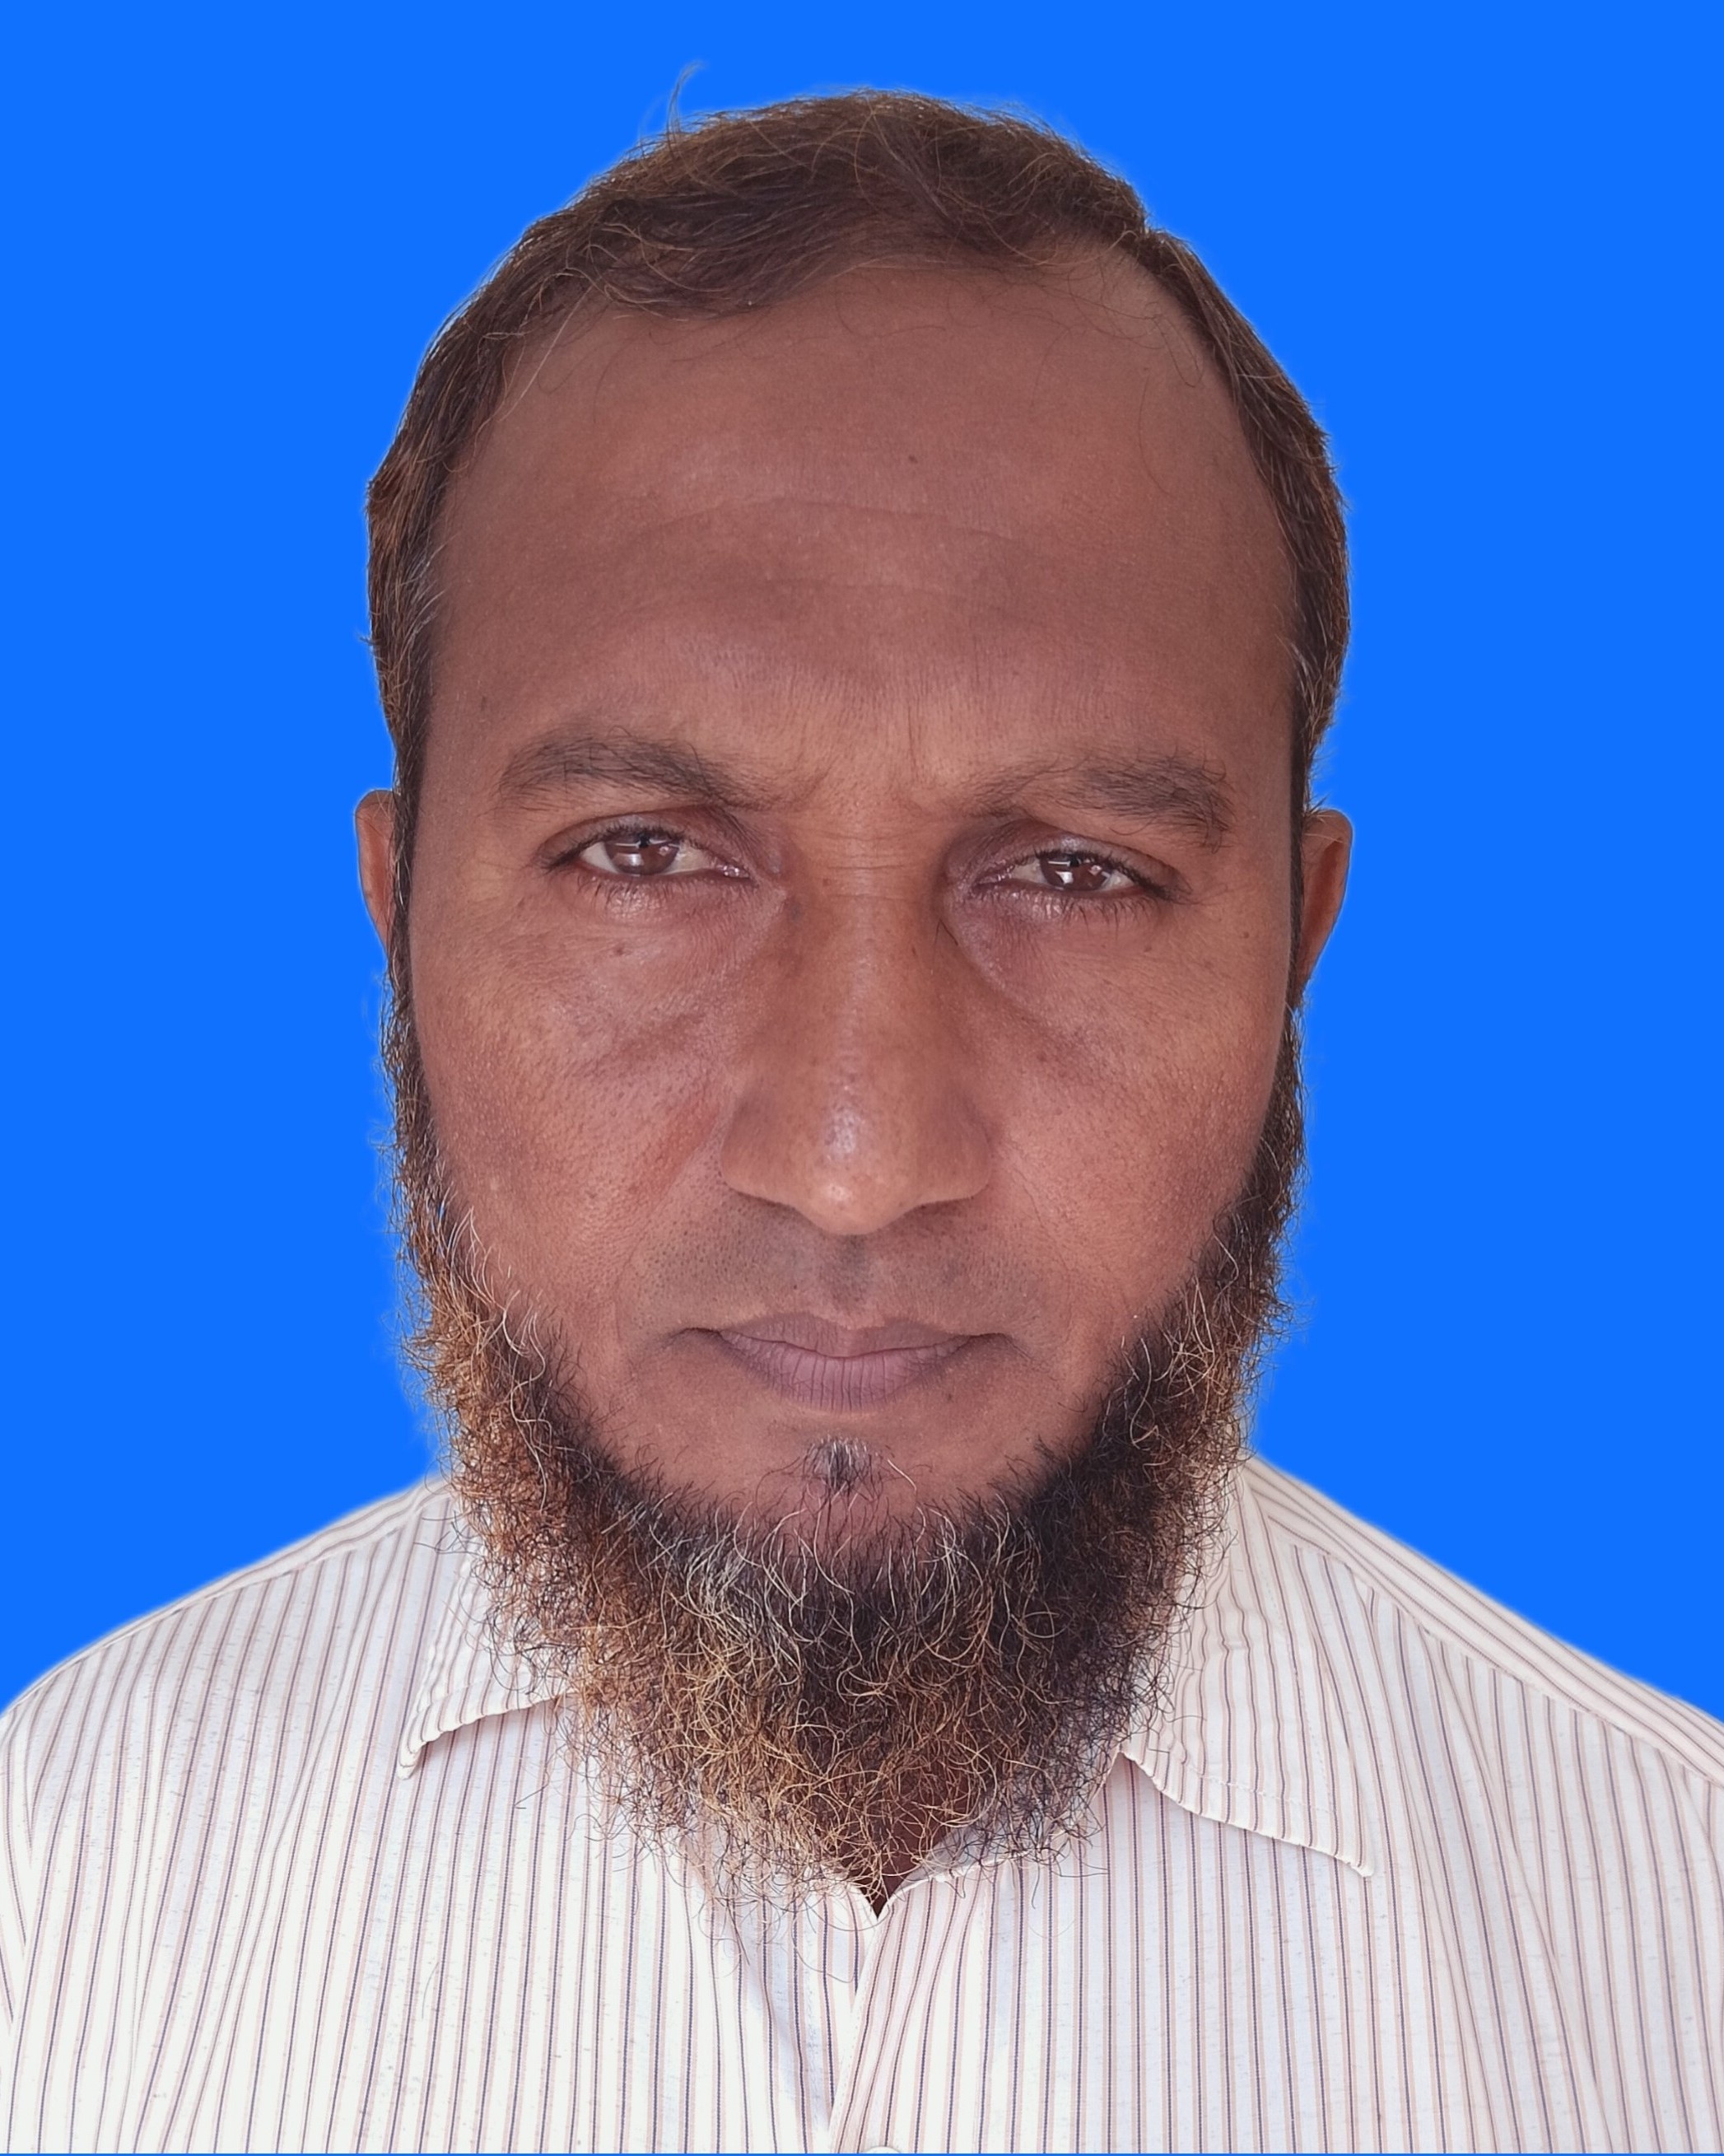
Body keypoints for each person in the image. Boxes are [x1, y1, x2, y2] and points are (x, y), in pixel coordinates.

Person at [1, 89, 1718, 2156]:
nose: (853, 1157)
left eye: (1075, 873)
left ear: (1298, 941)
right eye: (641, 854)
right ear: (398, 916)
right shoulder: (51, 1886)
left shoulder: (1684, 1939)